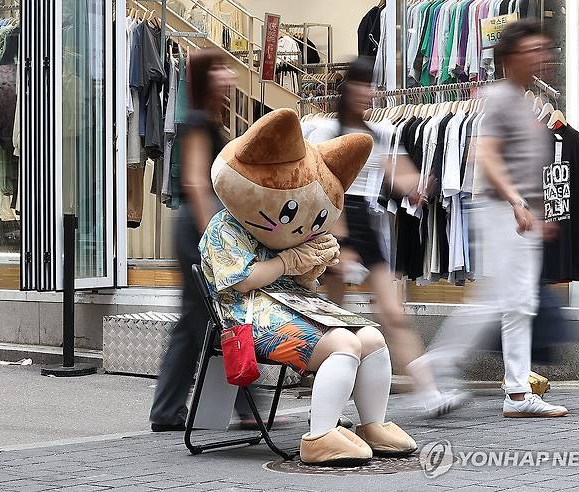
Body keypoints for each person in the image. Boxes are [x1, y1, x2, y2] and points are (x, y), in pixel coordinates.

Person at [200, 108, 418, 465]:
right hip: (246, 317)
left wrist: (314, 259)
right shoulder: (224, 228)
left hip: (292, 304)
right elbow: (242, 282)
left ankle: (373, 424)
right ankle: (319, 435)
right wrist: (289, 261)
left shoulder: (285, 235)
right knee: (343, 343)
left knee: (373, 338)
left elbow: (300, 279)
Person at [412, 20, 568, 418]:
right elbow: (485, 155)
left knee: (518, 303)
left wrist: (538, 209)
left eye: (544, 50)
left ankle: (517, 393)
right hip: (503, 211)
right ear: (512, 56)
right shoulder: (500, 97)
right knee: (497, 303)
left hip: (520, 214)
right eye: (533, 49)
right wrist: (517, 201)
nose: (542, 57)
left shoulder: (522, 99)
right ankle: (435, 364)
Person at [307, 57, 463, 416]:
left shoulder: (380, 134)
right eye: (359, 87)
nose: (366, 95)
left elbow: (399, 173)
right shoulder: (325, 132)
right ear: (347, 92)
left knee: (392, 312)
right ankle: (329, 401)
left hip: (366, 222)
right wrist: (339, 242)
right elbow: (319, 183)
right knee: (334, 318)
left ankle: (428, 392)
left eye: (370, 87)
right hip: (334, 221)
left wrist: (417, 187)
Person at [150, 49, 236, 432]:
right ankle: (167, 410)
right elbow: (198, 184)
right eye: (219, 71)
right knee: (200, 319)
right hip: (197, 227)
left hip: (200, 226)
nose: (228, 77)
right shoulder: (198, 122)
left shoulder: (211, 120)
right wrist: (212, 241)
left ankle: (175, 408)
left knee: (207, 319)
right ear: (204, 79)